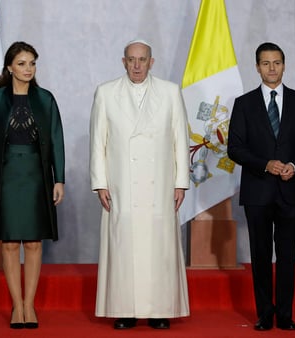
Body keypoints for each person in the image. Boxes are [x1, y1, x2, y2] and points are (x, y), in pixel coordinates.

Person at [89, 39, 190, 330]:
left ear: (151, 62)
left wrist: (180, 182)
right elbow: (99, 142)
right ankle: (125, 310)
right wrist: (100, 183)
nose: (136, 65)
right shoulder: (106, 93)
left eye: (142, 60)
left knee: (160, 248)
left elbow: (179, 140)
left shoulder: (170, 92)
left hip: (160, 185)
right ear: (123, 62)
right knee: (124, 249)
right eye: (131, 60)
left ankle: (159, 310)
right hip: (121, 184)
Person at [228, 42, 295, 331]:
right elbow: (235, 148)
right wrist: (265, 164)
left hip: (291, 190)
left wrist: (293, 165)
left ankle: (285, 314)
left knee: (288, 255)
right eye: (266, 63)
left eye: (277, 62)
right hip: (258, 190)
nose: (271, 68)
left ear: (284, 65)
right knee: (260, 254)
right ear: (257, 67)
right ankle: (265, 314)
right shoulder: (244, 104)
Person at [0, 41, 65, 329]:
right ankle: (17, 306)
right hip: (5, 177)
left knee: (34, 242)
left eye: (32, 63)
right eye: (23, 63)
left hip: (37, 176)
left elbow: (56, 141)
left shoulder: (46, 100)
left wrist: (59, 178)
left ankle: (30, 304)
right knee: (11, 243)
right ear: (9, 68)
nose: (29, 69)